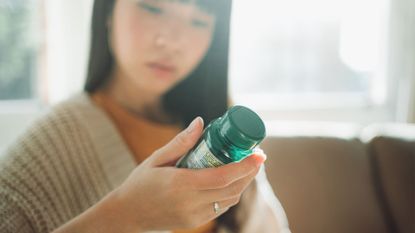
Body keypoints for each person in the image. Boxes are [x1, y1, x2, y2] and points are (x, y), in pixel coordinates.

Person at [0, 0, 290, 232]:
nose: (173, 41)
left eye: (199, 20)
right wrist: (126, 215)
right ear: (108, 9)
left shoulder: (224, 125)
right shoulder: (50, 144)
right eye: (153, 7)